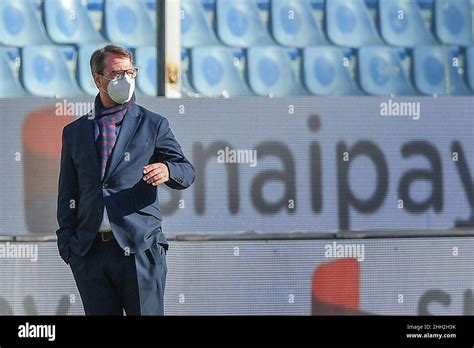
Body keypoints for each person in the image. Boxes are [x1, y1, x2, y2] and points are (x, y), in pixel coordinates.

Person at [56, 44, 195, 315]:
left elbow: (186, 170)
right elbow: (67, 193)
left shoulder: (152, 124)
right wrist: (69, 247)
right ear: (98, 79)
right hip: (90, 252)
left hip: (140, 248)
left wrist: (167, 169)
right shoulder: (75, 132)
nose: (126, 79)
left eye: (130, 72)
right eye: (118, 74)